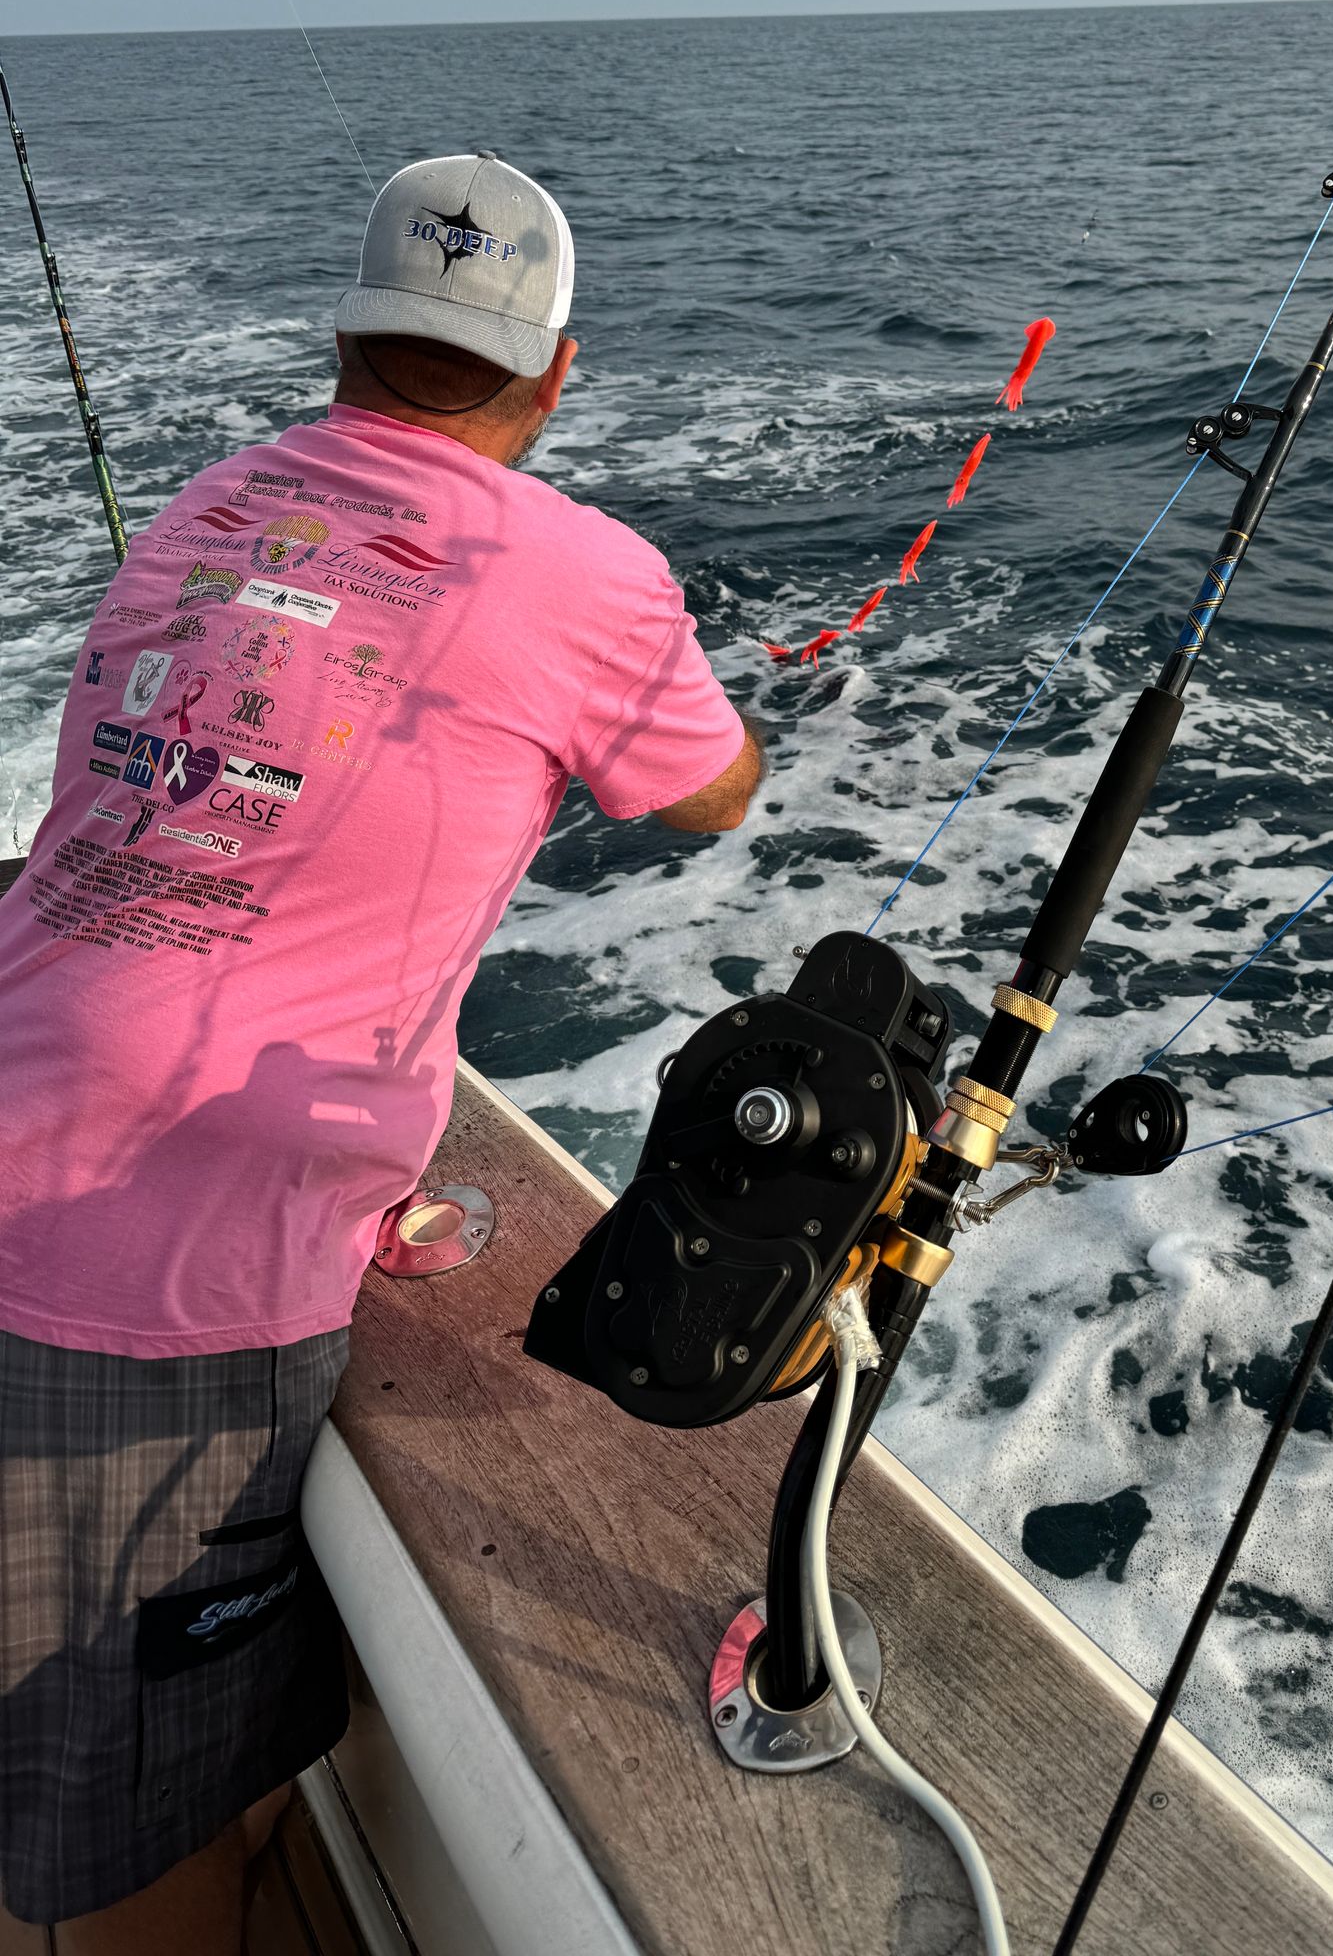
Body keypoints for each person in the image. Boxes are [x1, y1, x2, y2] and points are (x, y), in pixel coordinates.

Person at [0, 152, 762, 1952]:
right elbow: (714, 799)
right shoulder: (590, 570)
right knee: (127, 1851)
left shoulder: (208, 506)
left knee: (192, 1757)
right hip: (137, 1257)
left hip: (39, 1099)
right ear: (555, 370)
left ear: (349, 339)